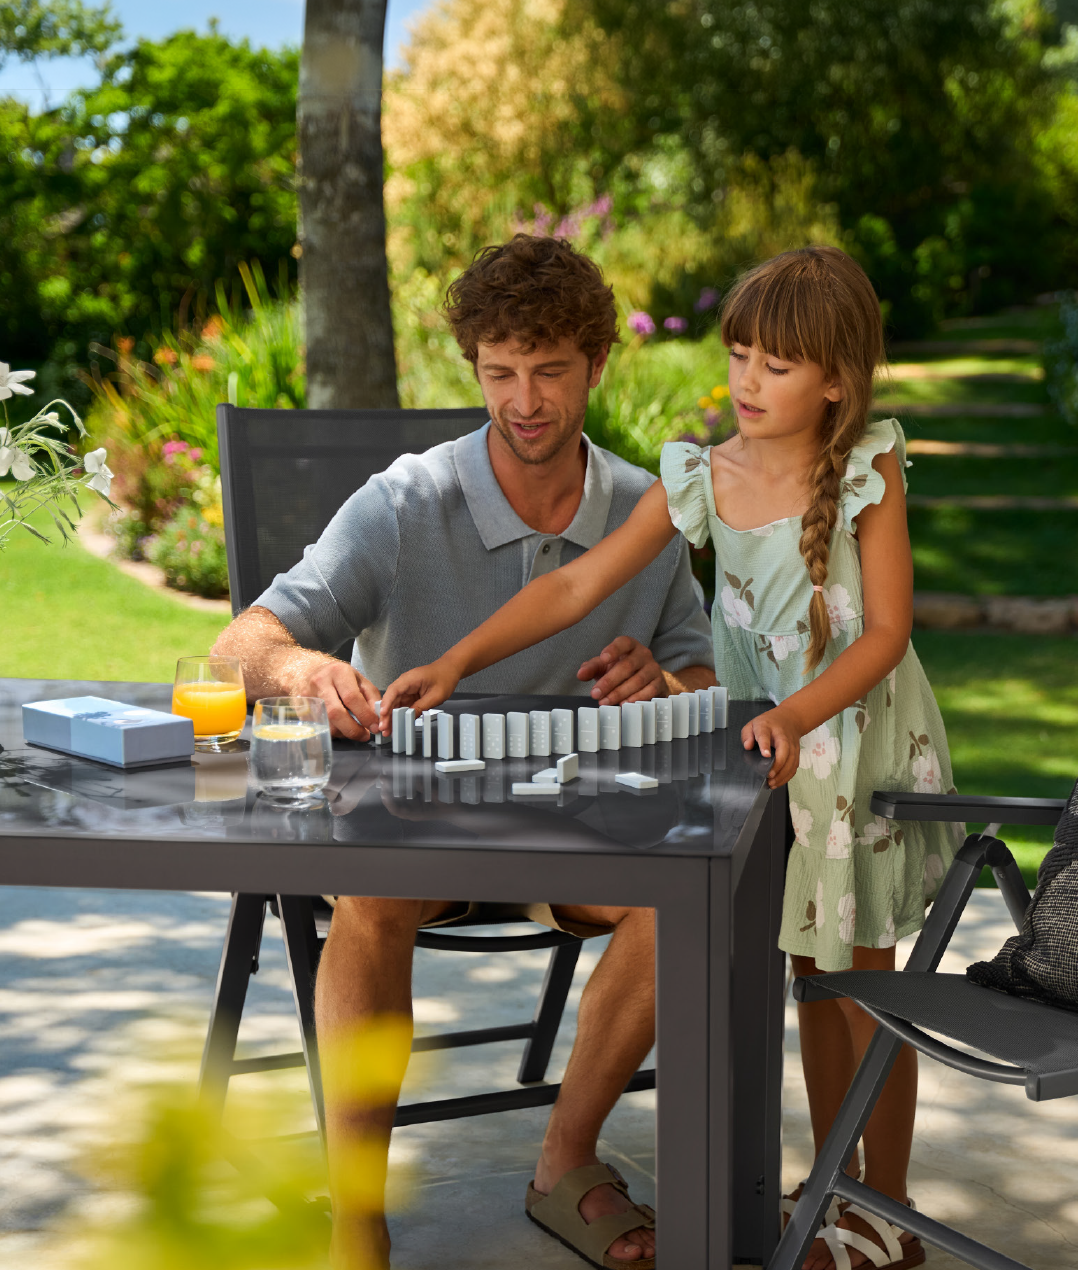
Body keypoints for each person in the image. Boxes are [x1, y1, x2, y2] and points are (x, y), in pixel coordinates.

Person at [384, 246, 961, 1270]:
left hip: (855, 745)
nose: (746, 381)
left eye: (776, 365)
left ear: (836, 378)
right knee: (807, 978)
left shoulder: (869, 468)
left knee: (860, 983)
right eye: (739, 354)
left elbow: (882, 638)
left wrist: (793, 715)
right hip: (769, 760)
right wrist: (455, 659)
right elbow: (571, 588)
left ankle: (889, 1208)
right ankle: (839, 1186)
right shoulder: (703, 474)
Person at [211, 234, 717, 1270]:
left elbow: (709, 684)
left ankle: (565, 1166)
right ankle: (357, 1209)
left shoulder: (644, 512)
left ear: (598, 364)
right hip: (418, 829)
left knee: (690, 903)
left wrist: (667, 684)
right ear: (473, 367)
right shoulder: (405, 502)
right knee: (370, 895)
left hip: (584, 830)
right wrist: (308, 674)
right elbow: (243, 643)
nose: (524, 400)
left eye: (549, 372)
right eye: (499, 374)